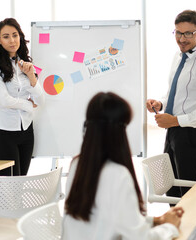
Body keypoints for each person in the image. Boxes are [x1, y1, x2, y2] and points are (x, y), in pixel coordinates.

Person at [63, 92, 184, 240]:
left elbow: (106, 218)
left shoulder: (77, 165)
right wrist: (170, 227)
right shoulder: (117, 174)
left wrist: (156, 220)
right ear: (119, 132)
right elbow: (140, 238)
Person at [146, 10, 196, 199]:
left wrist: (175, 120)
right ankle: (176, 229)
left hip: (192, 133)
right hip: (174, 130)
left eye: (188, 33)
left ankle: (194, 229)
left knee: (190, 195)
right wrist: (161, 103)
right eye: (178, 33)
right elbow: (179, 94)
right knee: (172, 191)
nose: (182, 39)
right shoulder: (179, 55)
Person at [0, 18, 44, 176]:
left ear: (20, 37)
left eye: (15, 35)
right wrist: (28, 105)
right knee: (10, 188)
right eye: (6, 36)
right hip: (4, 133)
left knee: (21, 184)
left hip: (26, 131)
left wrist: (31, 76)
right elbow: (3, 100)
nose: (12, 40)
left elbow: (40, 100)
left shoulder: (24, 64)